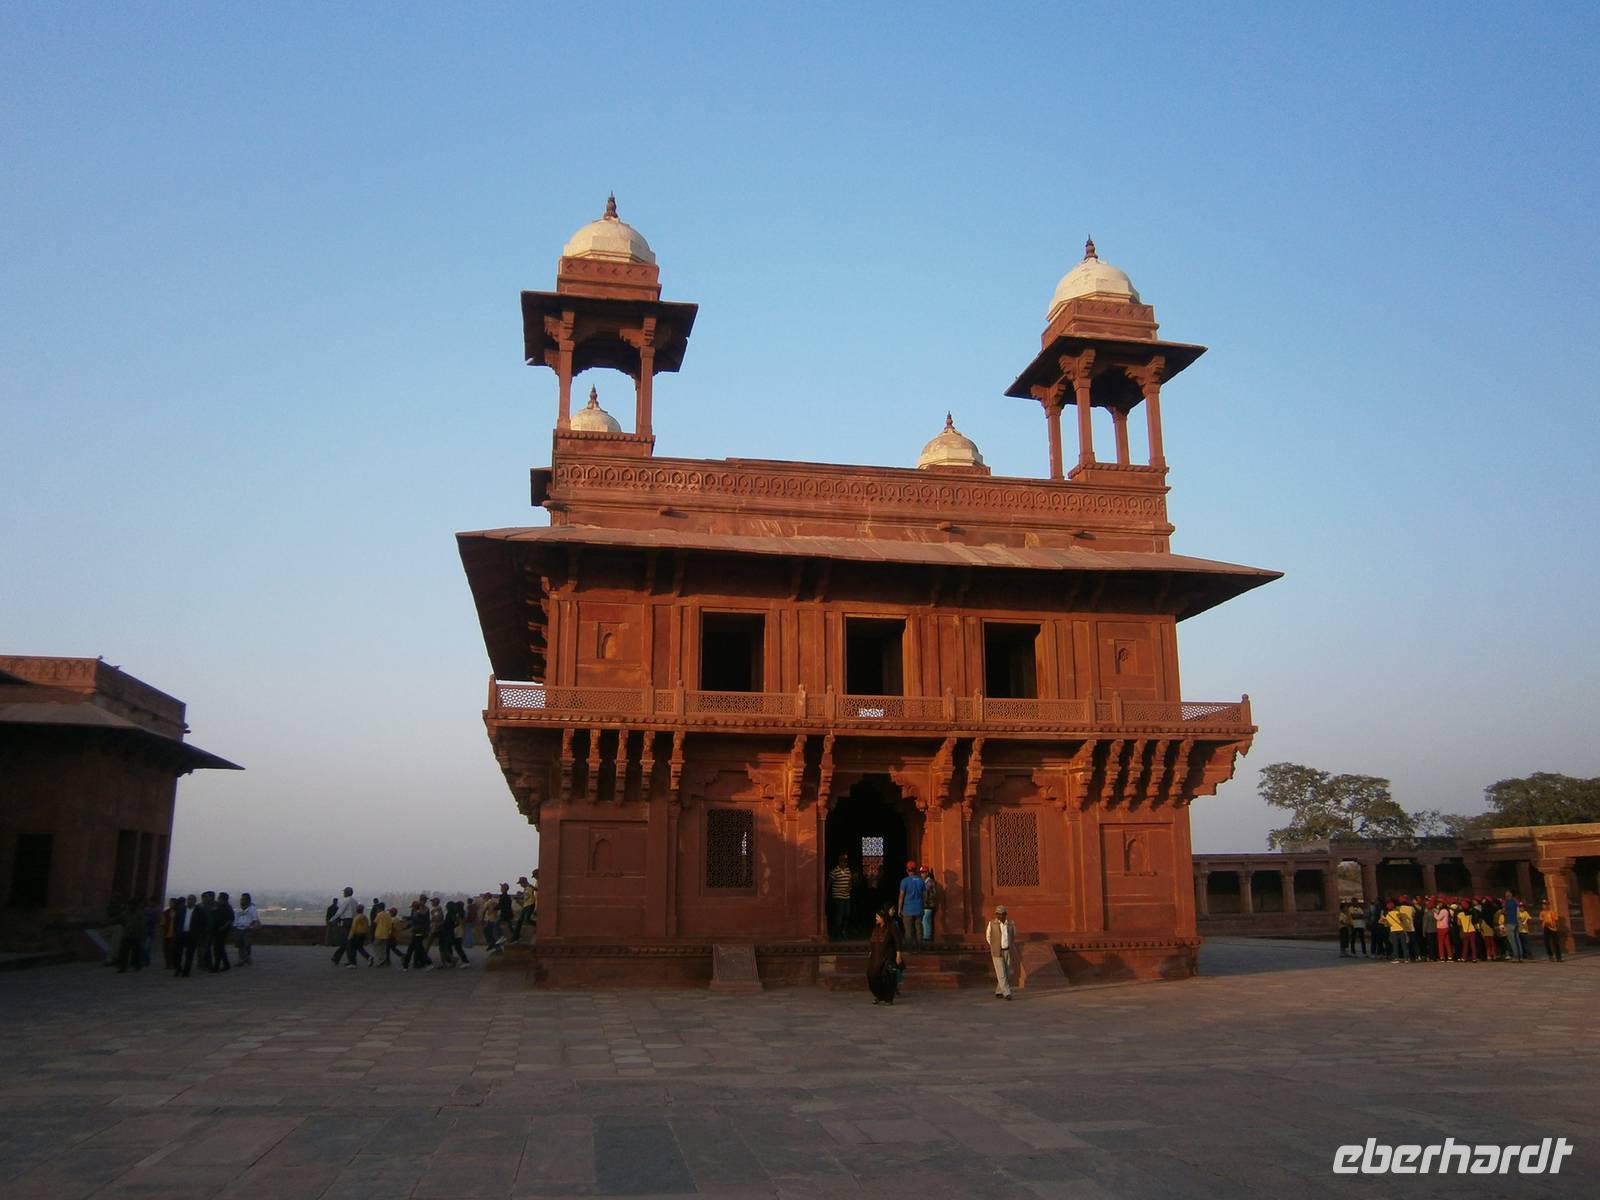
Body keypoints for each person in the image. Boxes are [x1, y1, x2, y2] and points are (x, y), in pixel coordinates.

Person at [865, 908, 901, 1005]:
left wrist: (898, 955)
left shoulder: (891, 927)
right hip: (876, 956)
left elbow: (897, 941)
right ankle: (879, 995)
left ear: (883, 918)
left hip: (887, 956)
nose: (876, 918)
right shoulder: (876, 928)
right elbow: (872, 941)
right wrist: (870, 951)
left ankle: (888, 998)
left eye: (878, 917)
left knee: (888, 976)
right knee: (872, 975)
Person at [986, 904, 1016, 999]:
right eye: (998, 914)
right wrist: (994, 945)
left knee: (1006, 973)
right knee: (1001, 973)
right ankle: (1007, 992)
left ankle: (999, 990)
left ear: (1006, 914)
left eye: (1002, 914)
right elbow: (988, 937)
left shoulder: (1010, 924)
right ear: (996, 914)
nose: (1001, 916)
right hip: (997, 951)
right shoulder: (992, 924)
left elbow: (1013, 936)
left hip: (1007, 950)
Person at [896, 861, 924, 947]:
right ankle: (920, 947)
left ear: (907, 870)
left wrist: (899, 909)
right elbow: (924, 895)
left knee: (908, 930)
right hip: (919, 908)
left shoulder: (904, 881)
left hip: (908, 910)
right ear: (916, 870)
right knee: (918, 929)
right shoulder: (921, 880)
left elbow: (901, 896)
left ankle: (910, 949)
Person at [114, 897, 145, 973]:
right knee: (124, 952)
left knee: (136, 952)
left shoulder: (140, 914)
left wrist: (142, 936)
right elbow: (117, 919)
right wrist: (106, 923)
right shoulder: (126, 913)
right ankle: (123, 967)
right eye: (129, 905)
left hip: (136, 936)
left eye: (132, 905)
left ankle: (137, 965)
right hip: (127, 935)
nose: (130, 906)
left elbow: (143, 926)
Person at [827, 854, 854, 941]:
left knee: (847, 914)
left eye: (846, 861)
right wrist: (827, 894)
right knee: (839, 916)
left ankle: (843, 930)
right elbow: (829, 883)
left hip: (847, 896)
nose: (845, 863)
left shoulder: (847, 870)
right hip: (838, 896)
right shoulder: (834, 871)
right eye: (843, 861)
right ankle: (837, 933)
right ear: (839, 862)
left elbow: (850, 880)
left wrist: (849, 887)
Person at [330, 887, 358, 965]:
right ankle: (337, 957)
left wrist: (332, 919)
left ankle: (350, 961)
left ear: (347, 893)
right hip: (353, 921)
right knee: (349, 941)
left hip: (347, 921)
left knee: (347, 941)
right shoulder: (355, 901)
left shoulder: (346, 901)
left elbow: (340, 912)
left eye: (344, 892)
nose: (343, 893)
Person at [234, 893, 261, 965]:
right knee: (240, 945)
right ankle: (243, 959)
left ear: (248, 900)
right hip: (239, 928)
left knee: (246, 945)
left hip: (247, 929)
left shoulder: (252, 909)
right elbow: (236, 919)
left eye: (243, 899)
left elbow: (254, 919)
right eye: (241, 899)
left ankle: (245, 958)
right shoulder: (238, 909)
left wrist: (251, 927)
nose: (242, 901)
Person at [211, 891, 235, 972]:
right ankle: (226, 964)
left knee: (219, 948)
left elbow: (230, 920)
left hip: (223, 931)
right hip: (217, 929)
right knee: (219, 948)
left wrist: (223, 927)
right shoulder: (219, 906)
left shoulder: (228, 907)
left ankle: (216, 966)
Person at [160, 897, 183, 971]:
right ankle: (168, 963)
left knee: (173, 950)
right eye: (170, 902)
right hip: (166, 933)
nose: (171, 904)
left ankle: (173, 963)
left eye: (172, 903)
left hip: (175, 934)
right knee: (166, 949)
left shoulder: (179, 912)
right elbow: (162, 923)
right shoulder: (166, 912)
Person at [919, 867, 940, 943]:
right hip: (925, 905)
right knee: (925, 921)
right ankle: (926, 937)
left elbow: (930, 894)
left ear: (927, 873)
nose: (922, 874)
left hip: (929, 905)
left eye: (923, 872)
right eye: (921, 872)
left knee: (925, 921)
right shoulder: (924, 882)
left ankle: (927, 938)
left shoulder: (930, 882)